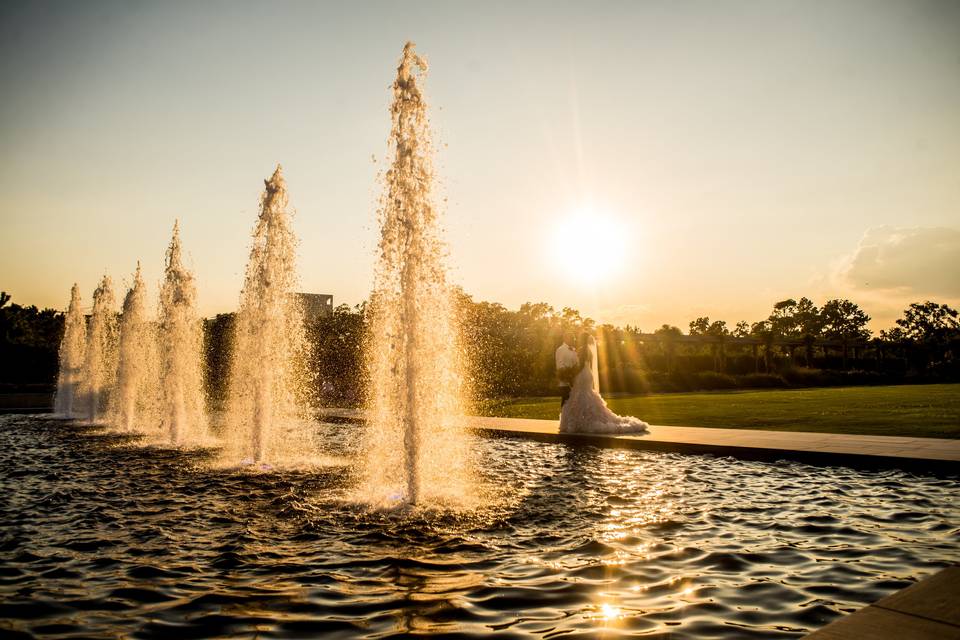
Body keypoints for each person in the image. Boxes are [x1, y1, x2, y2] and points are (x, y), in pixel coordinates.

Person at [560, 332, 649, 434]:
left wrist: (572, 374)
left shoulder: (582, 349)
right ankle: (587, 417)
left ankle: (582, 420)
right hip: (588, 374)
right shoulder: (589, 350)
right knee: (586, 394)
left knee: (581, 394)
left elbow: (580, 366)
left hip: (582, 374)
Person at [555, 331, 579, 409]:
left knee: (573, 403)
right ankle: (564, 420)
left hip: (574, 380)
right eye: (572, 338)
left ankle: (570, 420)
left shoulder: (574, 350)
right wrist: (567, 378)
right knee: (566, 401)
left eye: (574, 338)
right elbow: (560, 365)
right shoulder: (560, 349)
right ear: (565, 338)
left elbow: (576, 364)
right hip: (565, 381)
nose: (574, 339)